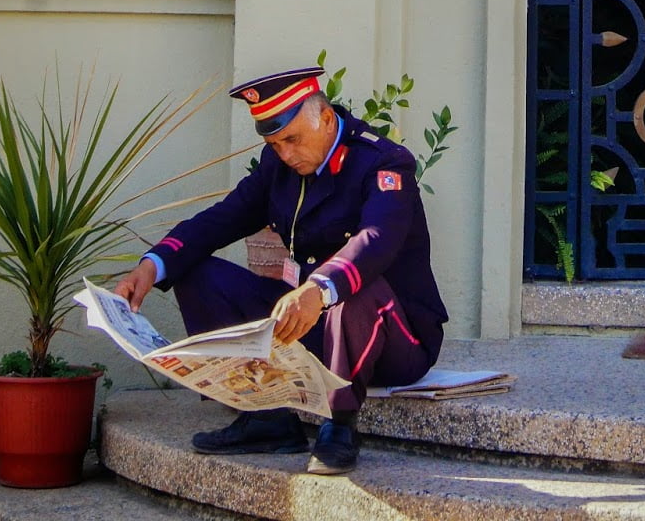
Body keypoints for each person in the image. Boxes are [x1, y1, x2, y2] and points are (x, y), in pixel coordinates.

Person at [114, 66, 448, 475]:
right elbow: (223, 218)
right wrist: (153, 265)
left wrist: (320, 288)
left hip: (391, 339)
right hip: (312, 325)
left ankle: (340, 425)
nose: (286, 154)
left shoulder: (384, 162)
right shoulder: (281, 167)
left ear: (326, 119)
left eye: (292, 139)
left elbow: (376, 238)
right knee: (197, 275)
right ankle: (264, 415)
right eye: (274, 144)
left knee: (353, 288)